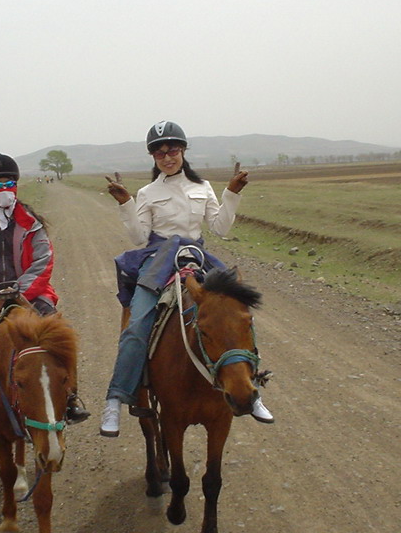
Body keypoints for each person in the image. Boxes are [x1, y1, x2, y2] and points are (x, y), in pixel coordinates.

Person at [100, 121, 274, 437]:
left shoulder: (202, 187)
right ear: (153, 157)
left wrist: (231, 195)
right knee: (137, 324)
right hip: (157, 260)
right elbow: (139, 236)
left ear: (183, 152)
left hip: (197, 256)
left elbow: (219, 229)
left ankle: (252, 387)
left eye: (173, 150)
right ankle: (115, 399)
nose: (167, 157)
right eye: (159, 152)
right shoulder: (148, 193)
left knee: (237, 314)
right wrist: (126, 203)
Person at [0, 153, 89, 437]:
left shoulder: (31, 223)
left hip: (29, 291)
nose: (3, 188)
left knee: (59, 334)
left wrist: (20, 288)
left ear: (16, 184)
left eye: (8, 182)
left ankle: (71, 398)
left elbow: (44, 261)